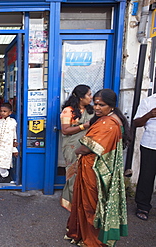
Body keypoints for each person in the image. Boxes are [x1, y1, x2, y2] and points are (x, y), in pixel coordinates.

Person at [65, 89, 131, 247]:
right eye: (95, 104)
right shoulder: (110, 119)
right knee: (91, 203)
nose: (97, 107)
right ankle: (85, 234)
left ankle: (93, 241)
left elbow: (88, 147)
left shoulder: (108, 123)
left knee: (91, 206)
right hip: (100, 169)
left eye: (102, 105)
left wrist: (77, 150)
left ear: (112, 106)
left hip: (95, 170)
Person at [60, 85, 94, 211]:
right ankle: (70, 202)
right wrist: (83, 126)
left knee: (85, 173)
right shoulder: (68, 111)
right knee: (73, 173)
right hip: (72, 146)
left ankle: (82, 201)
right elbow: (65, 130)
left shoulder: (91, 110)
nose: (91, 97)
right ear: (80, 97)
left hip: (88, 146)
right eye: (89, 95)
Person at [134, 92, 156, 221]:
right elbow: (136, 122)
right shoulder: (148, 101)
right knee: (146, 177)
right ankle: (143, 206)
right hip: (150, 144)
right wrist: (149, 115)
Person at [0, 103, 19, 183]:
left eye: (5, 111)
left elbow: (14, 135)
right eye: (1, 111)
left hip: (6, 146)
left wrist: (14, 148)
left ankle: (5, 176)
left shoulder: (13, 122)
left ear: (10, 112)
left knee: (2, 163)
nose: (2, 113)